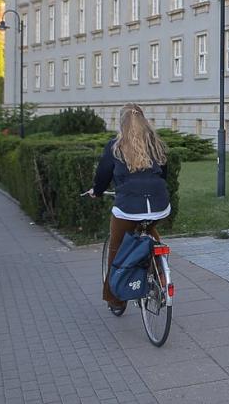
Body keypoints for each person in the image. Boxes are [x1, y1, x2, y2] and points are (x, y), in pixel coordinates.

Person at [85, 103, 171, 312]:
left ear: (122, 123)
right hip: (160, 205)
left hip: (128, 208)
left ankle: (116, 299)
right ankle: (161, 274)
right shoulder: (156, 144)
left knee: (116, 249)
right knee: (149, 228)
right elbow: (164, 174)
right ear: (144, 121)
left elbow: (103, 176)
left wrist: (96, 191)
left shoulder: (115, 146)